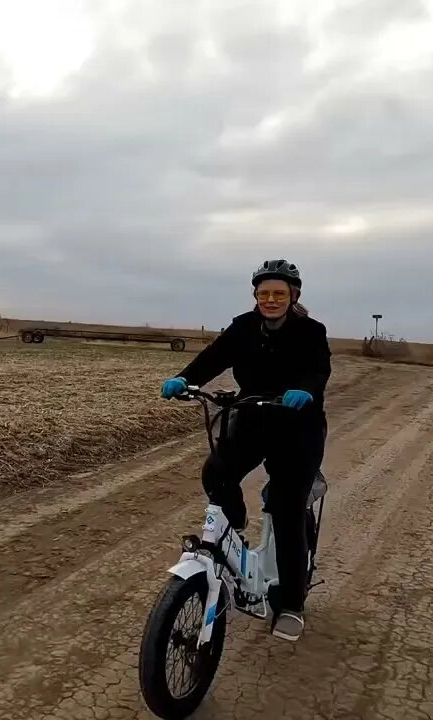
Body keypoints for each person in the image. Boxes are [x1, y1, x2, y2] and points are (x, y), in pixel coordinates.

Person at [159, 259, 331, 642]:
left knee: (286, 508)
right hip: (253, 417)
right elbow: (213, 358)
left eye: (279, 293)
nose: (271, 299)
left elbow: (318, 371)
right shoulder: (242, 327)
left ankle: (290, 604)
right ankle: (233, 528)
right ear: (256, 295)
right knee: (216, 473)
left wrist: (307, 389)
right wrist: (185, 378)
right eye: (264, 292)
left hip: (298, 425)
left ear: (293, 296)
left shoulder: (310, 331)